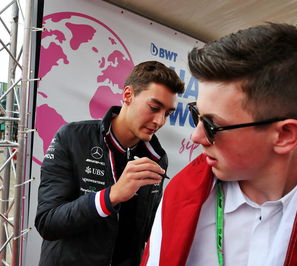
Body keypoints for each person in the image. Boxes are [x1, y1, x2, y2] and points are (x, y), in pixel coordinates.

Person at [141, 23, 297, 265]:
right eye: (196, 115)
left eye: (212, 125)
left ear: (285, 135)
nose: (196, 137)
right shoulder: (183, 192)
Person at [35, 61, 185, 266]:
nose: (160, 121)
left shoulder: (157, 157)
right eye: (154, 107)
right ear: (128, 95)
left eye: (167, 114)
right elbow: (48, 223)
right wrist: (111, 196)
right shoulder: (71, 137)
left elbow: (144, 231)